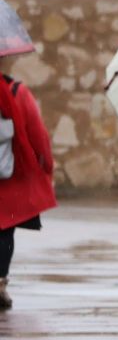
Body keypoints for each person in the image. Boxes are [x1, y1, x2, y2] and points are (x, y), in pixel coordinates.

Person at [0, 70, 55, 309]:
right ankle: (0, 282)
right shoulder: (16, 92)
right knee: (3, 231)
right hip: (8, 171)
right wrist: (46, 164)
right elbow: (37, 133)